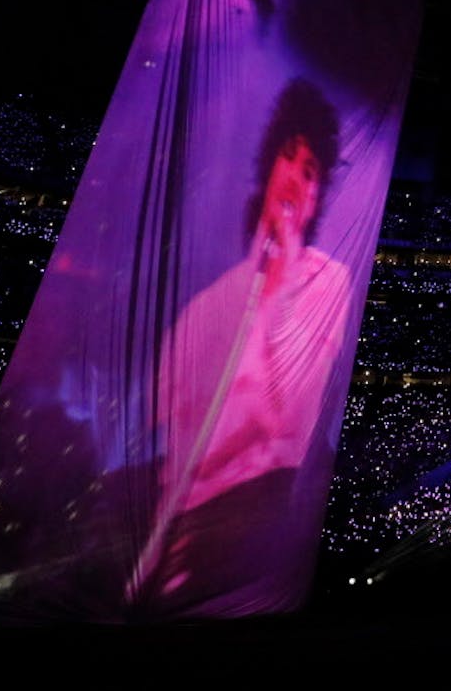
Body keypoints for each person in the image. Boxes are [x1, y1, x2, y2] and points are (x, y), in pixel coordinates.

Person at [128, 77, 354, 615]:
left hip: (250, 523)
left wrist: (277, 285)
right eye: (289, 159)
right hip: (174, 530)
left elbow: (283, 423)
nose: (297, 182)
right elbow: (162, 426)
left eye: (312, 172)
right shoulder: (206, 305)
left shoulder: (327, 284)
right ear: (267, 165)